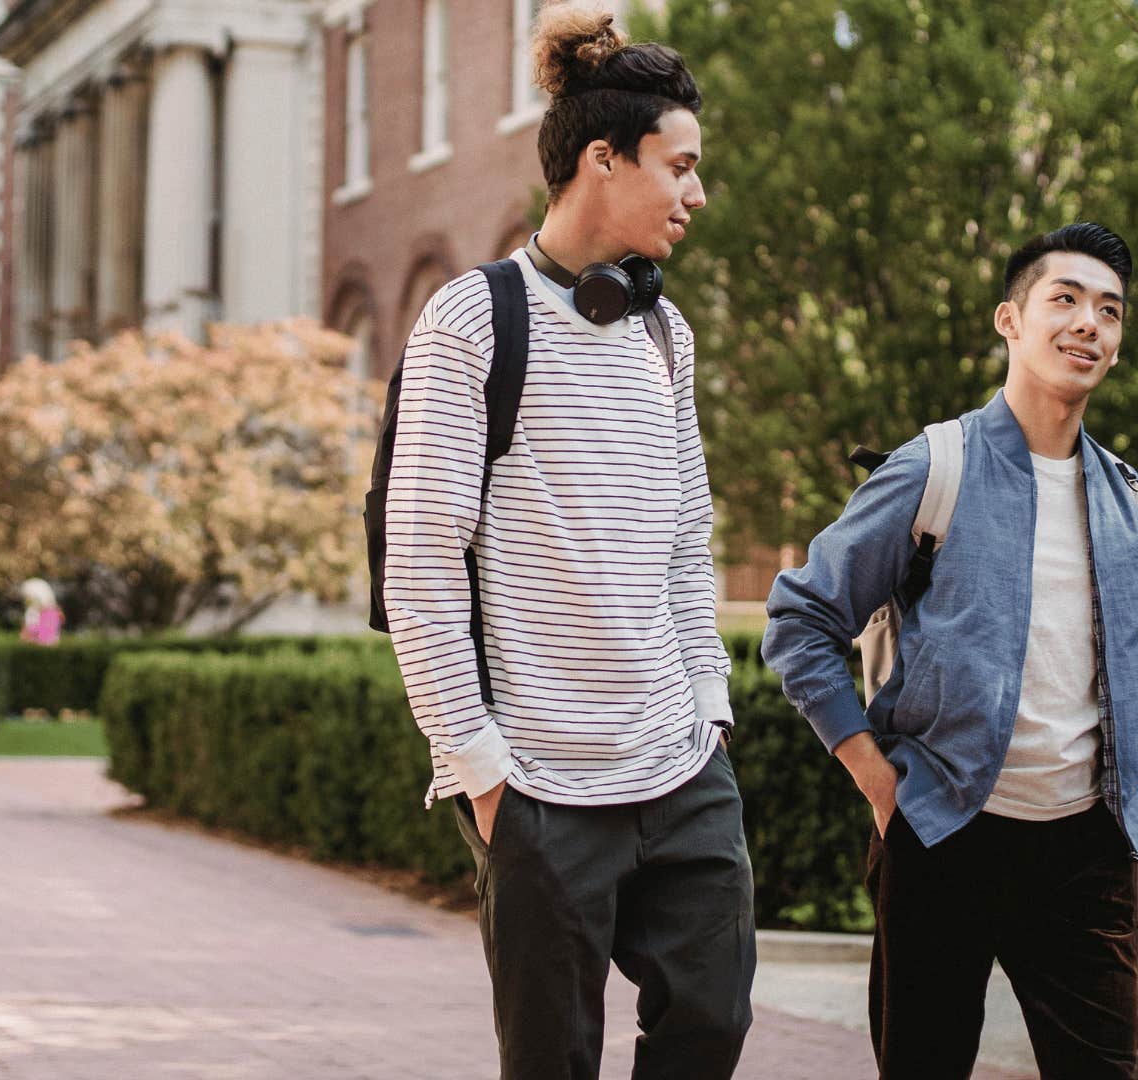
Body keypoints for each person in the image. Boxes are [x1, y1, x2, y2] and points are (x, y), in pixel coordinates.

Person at [378, 6, 753, 1077]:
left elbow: (688, 538)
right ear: (603, 159)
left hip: (680, 766)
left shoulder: (660, 330)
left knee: (712, 1022)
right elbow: (420, 567)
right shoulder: (471, 322)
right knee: (553, 1059)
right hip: (538, 785)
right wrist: (484, 773)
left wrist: (710, 709)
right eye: (679, 167)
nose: (696, 193)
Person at [762, 222, 1138, 1079]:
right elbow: (800, 620)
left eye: (1109, 310)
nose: (1088, 324)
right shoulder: (933, 468)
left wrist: (1128, 787)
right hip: (945, 835)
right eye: (1064, 299)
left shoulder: (1130, 501)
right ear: (1010, 321)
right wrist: (880, 780)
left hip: (1083, 855)